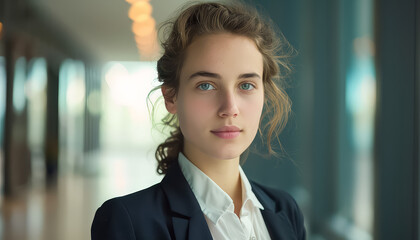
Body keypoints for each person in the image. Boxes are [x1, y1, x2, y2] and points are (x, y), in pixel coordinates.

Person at [91, 1, 306, 239]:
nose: (230, 108)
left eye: (246, 85)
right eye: (206, 85)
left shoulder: (286, 210)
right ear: (171, 97)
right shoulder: (129, 222)